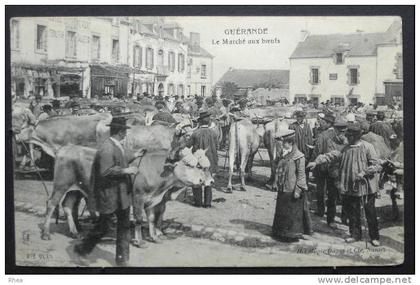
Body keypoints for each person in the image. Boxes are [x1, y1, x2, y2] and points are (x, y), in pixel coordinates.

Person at [74, 117, 143, 266]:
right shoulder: (107, 148)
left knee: (124, 226)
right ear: (120, 131)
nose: (126, 133)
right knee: (104, 226)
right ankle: (82, 250)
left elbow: (120, 158)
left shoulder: (116, 145)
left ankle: (122, 260)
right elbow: (106, 171)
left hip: (122, 194)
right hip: (109, 195)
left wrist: (135, 155)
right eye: (125, 131)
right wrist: (127, 170)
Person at [307, 123, 382, 246]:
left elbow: (376, 165)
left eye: (350, 136)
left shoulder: (368, 147)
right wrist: (316, 162)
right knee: (353, 212)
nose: (347, 138)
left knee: (370, 212)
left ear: (357, 136)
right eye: (347, 135)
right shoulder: (345, 148)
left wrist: (365, 172)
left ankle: (374, 237)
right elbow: (330, 155)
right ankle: (355, 235)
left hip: (366, 187)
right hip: (350, 187)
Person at [272, 129, 312, 242]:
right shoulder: (283, 154)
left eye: (283, 142)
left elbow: (301, 175)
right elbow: (277, 167)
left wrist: (298, 190)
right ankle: (279, 232)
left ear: (290, 143)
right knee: (281, 211)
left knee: (292, 213)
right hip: (283, 189)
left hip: (292, 190)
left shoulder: (299, 156)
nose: (281, 145)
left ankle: (291, 235)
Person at [309, 112, 340, 228]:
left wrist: (312, 162)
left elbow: (317, 151)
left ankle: (321, 210)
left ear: (328, 123)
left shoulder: (322, 135)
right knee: (332, 193)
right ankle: (331, 218)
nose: (321, 123)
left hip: (322, 166)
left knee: (320, 189)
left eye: (323, 122)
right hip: (335, 167)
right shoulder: (338, 134)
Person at [189, 111, 218, 208]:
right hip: (210, 160)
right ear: (208, 122)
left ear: (200, 122)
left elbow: (188, 145)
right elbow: (217, 146)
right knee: (208, 180)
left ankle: (198, 202)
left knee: (197, 180)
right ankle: (208, 203)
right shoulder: (213, 133)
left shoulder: (195, 133)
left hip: (198, 160)